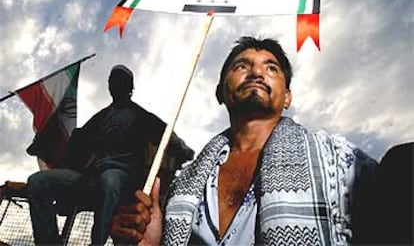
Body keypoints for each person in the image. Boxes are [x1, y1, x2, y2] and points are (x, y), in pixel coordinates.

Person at [110, 37, 378, 245]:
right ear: (220, 92)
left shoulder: (338, 162)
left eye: (271, 67)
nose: (256, 73)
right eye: (242, 66)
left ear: (287, 97)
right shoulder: (184, 185)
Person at [26, 65, 193, 245]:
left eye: (120, 81)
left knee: (110, 179)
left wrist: (184, 150)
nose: (115, 84)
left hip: (123, 179)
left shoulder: (141, 116)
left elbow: (167, 136)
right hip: (90, 178)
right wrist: (47, 142)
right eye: (112, 81)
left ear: (130, 87)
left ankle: (97, 242)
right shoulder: (100, 117)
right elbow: (76, 142)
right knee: (38, 181)